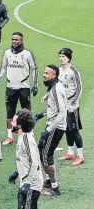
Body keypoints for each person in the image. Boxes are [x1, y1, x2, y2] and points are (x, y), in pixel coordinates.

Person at [8, 109, 53, 209]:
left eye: (13, 122)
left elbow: (34, 163)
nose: (11, 124)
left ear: (20, 125)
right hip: (26, 180)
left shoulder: (26, 139)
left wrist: (27, 182)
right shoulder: (24, 134)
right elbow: (25, 160)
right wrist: (16, 172)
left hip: (31, 183)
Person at [0, 32, 38, 145]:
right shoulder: (7, 53)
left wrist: (35, 85)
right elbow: (4, 67)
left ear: (21, 41)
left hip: (24, 87)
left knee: (26, 112)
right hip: (10, 87)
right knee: (9, 112)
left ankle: (29, 134)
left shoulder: (27, 54)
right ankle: (9, 136)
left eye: (16, 40)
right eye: (13, 39)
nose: (14, 41)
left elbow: (34, 69)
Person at [34, 65, 67, 196]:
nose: (44, 75)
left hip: (56, 127)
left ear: (54, 76)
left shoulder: (56, 90)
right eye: (44, 72)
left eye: (46, 73)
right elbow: (54, 108)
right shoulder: (53, 87)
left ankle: (55, 187)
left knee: (46, 155)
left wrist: (48, 129)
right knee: (41, 150)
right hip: (53, 125)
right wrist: (43, 114)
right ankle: (48, 181)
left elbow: (62, 112)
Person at [58, 48, 84, 165]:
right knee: (67, 129)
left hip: (71, 106)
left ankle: (80, 155)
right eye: (60, 56)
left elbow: (79, 89)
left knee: (74, 130)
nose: (61, 58)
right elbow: (56, 86)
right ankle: (70, 152)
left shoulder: (74, 71)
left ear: (68, 58)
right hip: (62, 105)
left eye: (63, 56)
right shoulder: (58, 70)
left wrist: (73, 103)